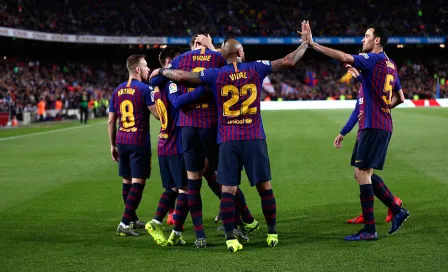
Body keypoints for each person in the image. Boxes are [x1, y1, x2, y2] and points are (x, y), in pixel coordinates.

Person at [151, 20, 310, 252]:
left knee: (227, 189)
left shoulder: (215, 74)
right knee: (264, 186)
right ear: (241, 52)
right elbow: (288, 61)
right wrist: (305, 43)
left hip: (227, 139)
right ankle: (272, 233)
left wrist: (164, 70)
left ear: (223, 55)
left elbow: (184, 77)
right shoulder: (256, 67)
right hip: (254, 136)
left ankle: (230, 238)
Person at [305, 21, 410, 240]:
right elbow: (400, 98)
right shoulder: (390, 64)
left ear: (377, 40)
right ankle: (397, 209)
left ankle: (370, 230)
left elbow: (344, 57)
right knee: (362, 173)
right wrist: (382, 105)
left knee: (363, 174)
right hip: (380, 124)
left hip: (374, 126)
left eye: (366, 35)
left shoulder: (373, 58)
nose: (363, 39)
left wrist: (313, 45)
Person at [145, 46, 208, 246]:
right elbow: (179, 101)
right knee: (187, 189)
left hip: (163, 141)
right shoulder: (171, 81)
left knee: (174, 188)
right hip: (176, 142)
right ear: (170, 61)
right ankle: (158, 222)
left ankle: (175, 232)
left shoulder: (155, 85)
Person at [338, 62, 404, 224]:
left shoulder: (371, 83)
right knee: (361, 174)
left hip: (372, 129)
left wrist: (359, 77)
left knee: (363, 174)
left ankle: (390, 206)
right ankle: (391, 203)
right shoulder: (363, 86)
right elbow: (356, 111)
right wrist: (343, 132)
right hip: (363, 131)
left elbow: (394, 99)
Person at [108, 54, 159, 236]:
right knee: (138, 183)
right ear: (137, 69)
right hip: (138, 141)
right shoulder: (145, 89)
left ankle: (133, 218)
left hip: (122, 141)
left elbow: (111, 121)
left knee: (127, 182)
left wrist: (112, 145)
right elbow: (158, 115)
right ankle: (124, 223)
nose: (148, 69)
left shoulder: (117, 90)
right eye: (145, 66)